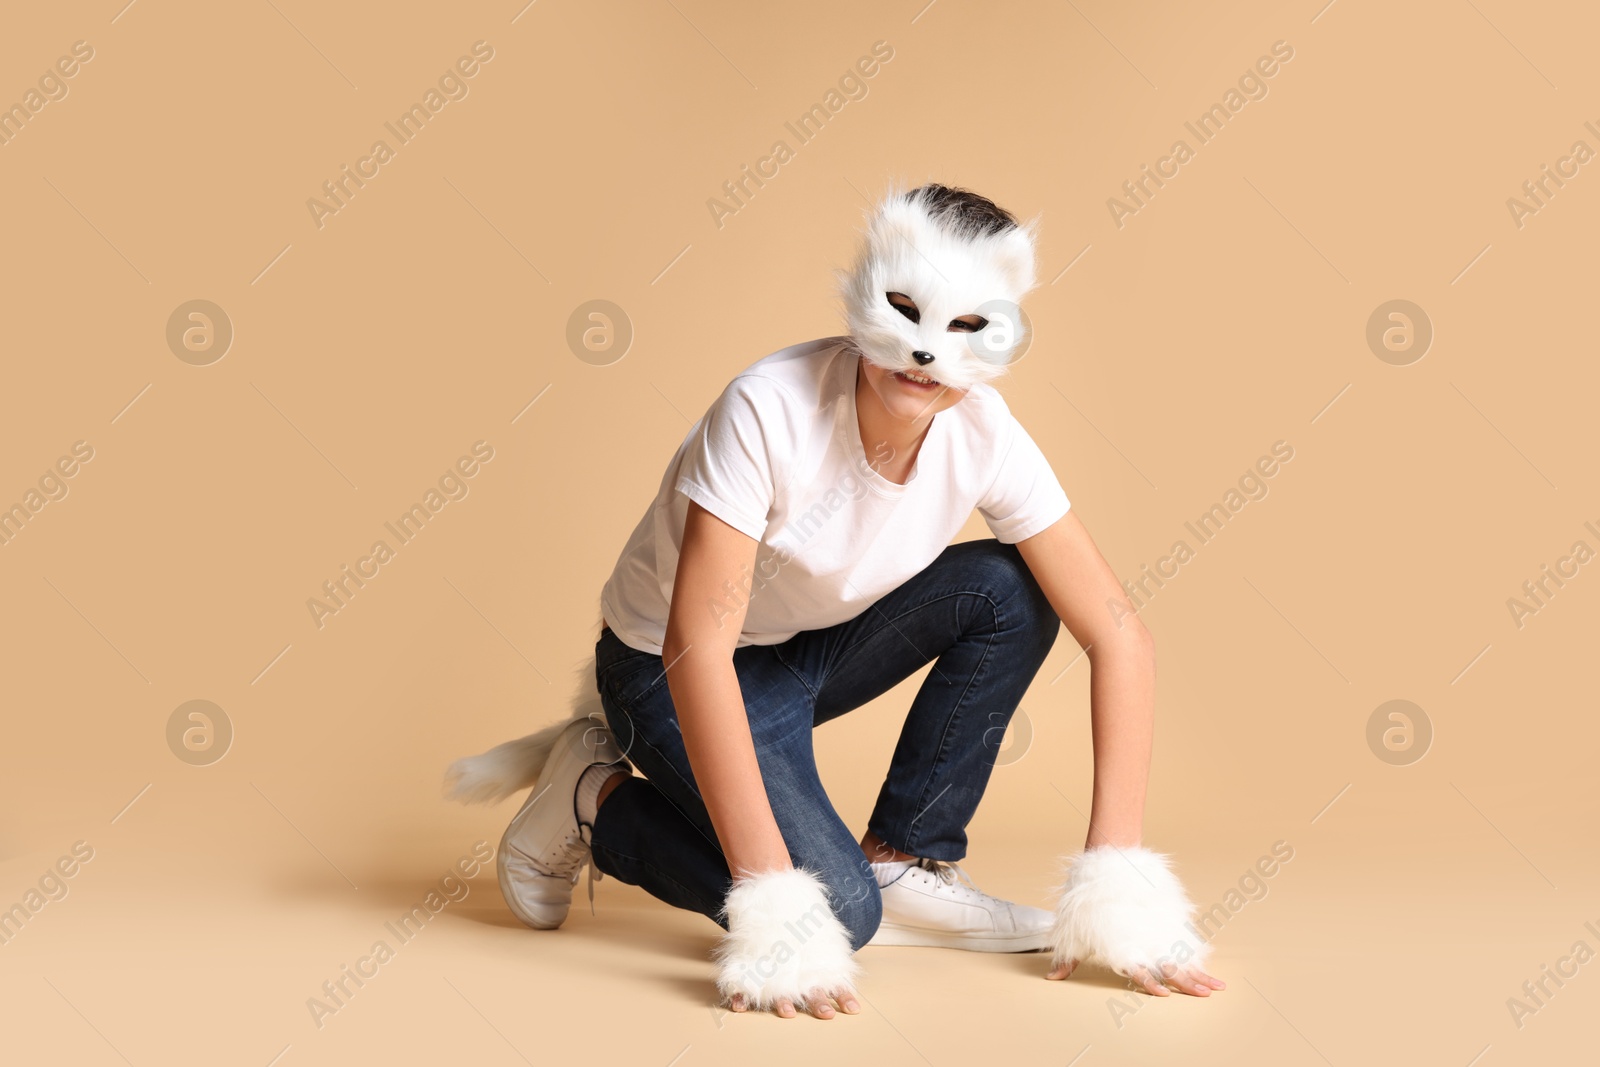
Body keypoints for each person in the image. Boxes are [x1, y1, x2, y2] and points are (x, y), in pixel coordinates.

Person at [447, 183, 1225, 1019]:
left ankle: (907, 855)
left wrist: (1119, 890)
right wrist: (772, 896)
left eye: (967, 328)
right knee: (843, 919)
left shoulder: (985, 433)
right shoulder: (768, 407)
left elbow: (1119, 636)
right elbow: (695, 648)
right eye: (907, 311)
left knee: (1010, 585)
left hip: (805, 649)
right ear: (864, 289)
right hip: (662, 670)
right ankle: (596, 799)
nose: (926, 355)